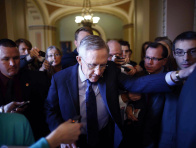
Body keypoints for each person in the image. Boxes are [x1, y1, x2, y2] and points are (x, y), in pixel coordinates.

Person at [45, 35, 195, 148]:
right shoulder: (60, 79)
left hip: (106, 138)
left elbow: (137, 83)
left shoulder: (110, 71)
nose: (98, 72)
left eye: (103, 65)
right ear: (79, 59)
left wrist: (179, 75)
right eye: (93, 65)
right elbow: (51, 110)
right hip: (74, 140)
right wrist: (60, 135)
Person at [143, 31, 196, 148]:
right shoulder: (166, 80)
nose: (186, 58)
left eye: (193, 51)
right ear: (174, 54)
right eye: (180, 52)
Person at [0, 38, 50, 140]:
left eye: (16, 58)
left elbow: (47, 111)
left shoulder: (37, 79)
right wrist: (2, 110)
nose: (12, 63)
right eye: (6, 59)